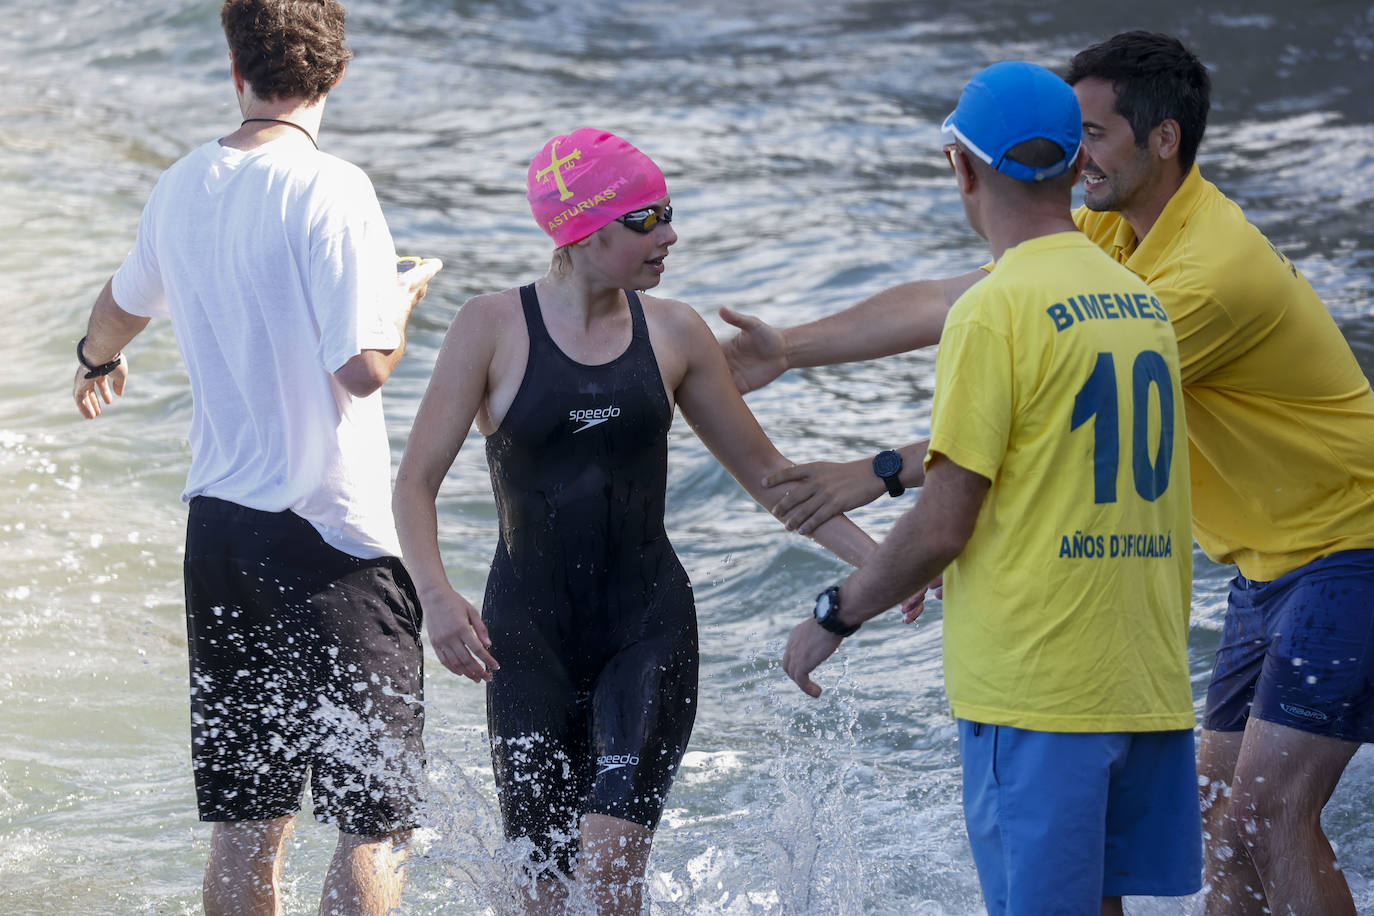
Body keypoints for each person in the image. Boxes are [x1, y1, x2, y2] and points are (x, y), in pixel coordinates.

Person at [734, 31, 1374, 916]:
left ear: (1164, 140)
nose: (1081, 160)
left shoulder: (1207, 274)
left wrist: (874, 475)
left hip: (1352, 547)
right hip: (1265, 566)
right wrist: (789, 348)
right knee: (1227, 813)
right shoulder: (1114, 228)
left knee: (1269, 811)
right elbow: (950, 297)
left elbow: (1053, 414)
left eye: (1097, 135)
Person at [391, 127, 876, 915]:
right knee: (541, 894)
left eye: (670, 213)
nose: (671, 236)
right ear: (585, 228)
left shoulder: (676, 332)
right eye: (648, 218)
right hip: (527, 640)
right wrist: (437, 599)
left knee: (613, 884)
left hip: (646, 633)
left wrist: (881, 563)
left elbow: (771, 479)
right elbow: (414, 482)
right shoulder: (490, 327)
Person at [782, 60, 1200, 915]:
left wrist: (837, 612)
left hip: (1039, 689)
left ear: (961, 168)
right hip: (1142, 680)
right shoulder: (1137, 299)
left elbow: (943, 523)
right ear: (1071, 167)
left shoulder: (994, 309)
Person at [71, 2, 442, 913]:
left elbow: (120, 306)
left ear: (234, 65)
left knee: (247, 818)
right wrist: (398, 305)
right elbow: (361, 369)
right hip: (331, 536)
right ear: (338, 74)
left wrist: (95, 361)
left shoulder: (181, 185)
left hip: (223, 538)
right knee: (373, 819)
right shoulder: (333, 188)